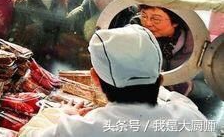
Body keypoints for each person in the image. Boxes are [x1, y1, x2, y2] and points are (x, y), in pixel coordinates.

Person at [20, 25, 214, 137]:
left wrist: (59, 114)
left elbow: (28, 134)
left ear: (94, 78)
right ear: (161, 78)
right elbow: (175, 100)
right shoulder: (192, 119)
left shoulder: (80, 130)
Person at [11, 0, 67, 65]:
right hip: (31, 60)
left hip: (55, 60)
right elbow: (15, 36)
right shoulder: (23, 3)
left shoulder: (61, 2)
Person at [136, 5, 194, 95]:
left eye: (156, 19)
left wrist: (190, 88)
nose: (147, 23)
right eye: (143, 16)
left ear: (175, 22)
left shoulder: (194, 45)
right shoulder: (136, 33)